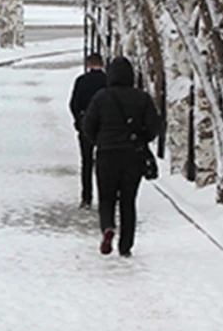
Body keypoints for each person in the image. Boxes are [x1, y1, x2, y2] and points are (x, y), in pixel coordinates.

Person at [82, 56, 162, 258]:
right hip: (132, 156)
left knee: (106, 197)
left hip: (107, 155)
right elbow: (154, 127)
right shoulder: (142, 98)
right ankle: (125, 245)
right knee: (128, 200)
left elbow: (88, 126)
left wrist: (100, 140)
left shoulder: (101, 97)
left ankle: (108, 227)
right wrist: (141, 138)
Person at [69, 53, 107, 208]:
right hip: (106, 127)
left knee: (86, 162)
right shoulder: (108, 81)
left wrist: (78, 120)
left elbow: (73, 103)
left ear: (88, 65)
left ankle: (86, 197)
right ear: (102, 64)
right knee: (105, 163)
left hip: (86, 125)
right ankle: (107, 196)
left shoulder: (82, 81)